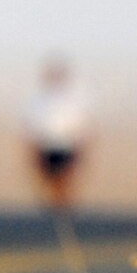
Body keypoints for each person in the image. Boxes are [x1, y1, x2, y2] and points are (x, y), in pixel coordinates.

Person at [23, 55, 91, 211]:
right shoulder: (38, 99)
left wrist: (83, 144)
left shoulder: (74, 99)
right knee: (50, 177)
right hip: (46, 144)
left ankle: (63, 207)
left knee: (64, 177)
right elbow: (31, 123)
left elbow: (84, 123)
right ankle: (56, 208)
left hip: (67, 143)